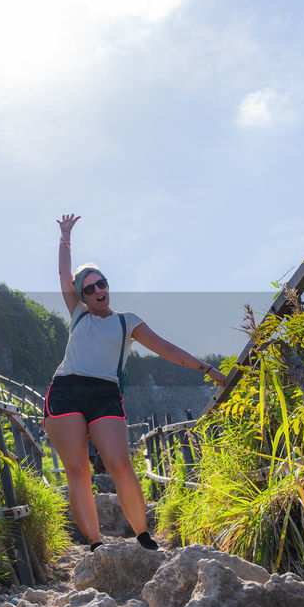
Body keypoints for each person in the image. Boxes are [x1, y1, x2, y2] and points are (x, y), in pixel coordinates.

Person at [44, 213, 227, 551]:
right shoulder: (79, 315)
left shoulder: (128, 322)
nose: (99, 290)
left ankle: (143, 534)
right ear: (81, 296)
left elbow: (167, 348)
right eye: (90, 288)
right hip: (65, 391)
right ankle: (96, 544)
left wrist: (207, 369)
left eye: (103, 284)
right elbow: (63, 275)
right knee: (78, 471)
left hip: (104, 393)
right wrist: (65, 235)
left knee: (118, 464)